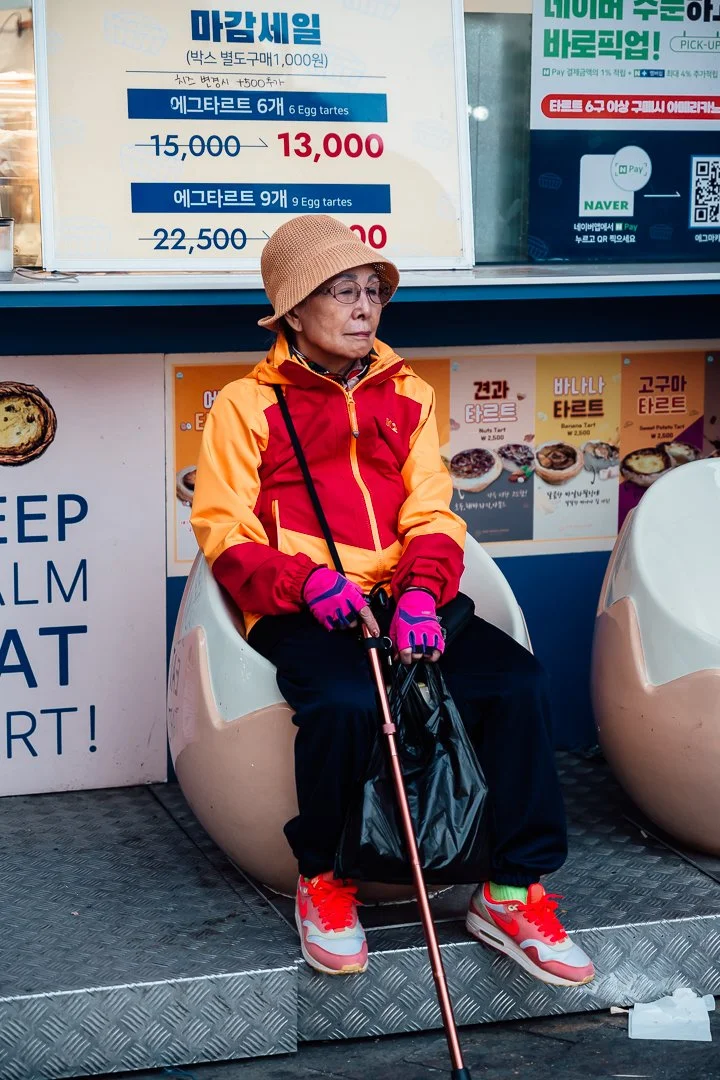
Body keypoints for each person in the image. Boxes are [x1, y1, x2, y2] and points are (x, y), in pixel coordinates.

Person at [190, 215, 595, 988]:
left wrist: (418, 594)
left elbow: (434, 514)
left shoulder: (408, 393)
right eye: (342, 292)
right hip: (302, 602)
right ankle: (324, 880)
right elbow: (221, 526)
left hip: (401, 594)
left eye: (372, 292)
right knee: (342, 702)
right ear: (294, 309)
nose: (363, 307)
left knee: (516, 684)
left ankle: (513, 890)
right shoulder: (248, 405)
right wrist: (304, 584)